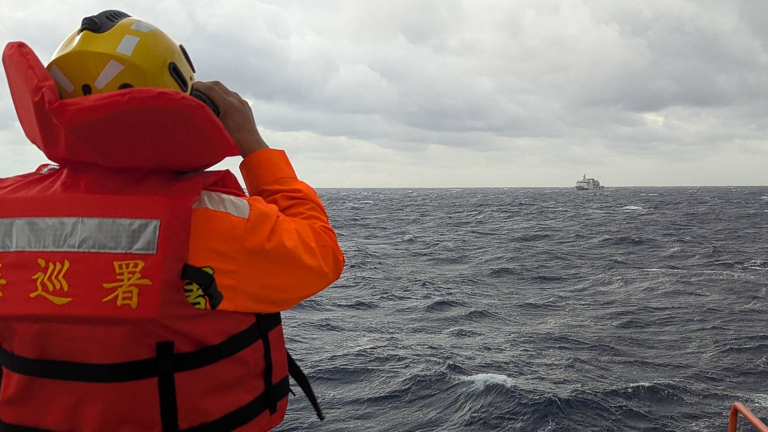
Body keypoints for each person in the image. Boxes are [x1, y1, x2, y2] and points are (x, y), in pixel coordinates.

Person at [0, 10, 344, 432]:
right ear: (186, 100)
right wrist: (254, 147)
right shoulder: (211, 219)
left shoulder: (5, 207)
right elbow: (319, 254)